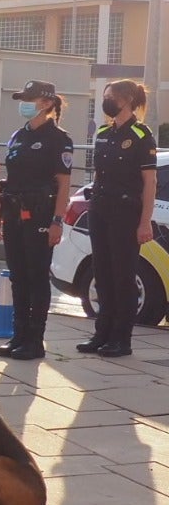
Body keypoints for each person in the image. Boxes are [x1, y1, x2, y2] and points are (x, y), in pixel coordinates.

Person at [78, 78, 155, 358]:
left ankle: (122, 338)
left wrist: (144, 221)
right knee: (103, 273)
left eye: (110, 96)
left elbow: (150, 183)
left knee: (123, 277)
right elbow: (98, 174)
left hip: (126, 213)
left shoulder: (141, 134)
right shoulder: (102, 132)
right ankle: (102, 334)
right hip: (100, 209)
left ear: (126, 99)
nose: (106, 101)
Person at [0, 80, 73, 360]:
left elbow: (64, 184)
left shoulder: (58, 138)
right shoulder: (19, 135)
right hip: (15, 212)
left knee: (36, 276)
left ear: (46, 103)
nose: (24, 104)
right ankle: (18, 335)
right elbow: (10, 179)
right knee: (18, 276)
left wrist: (57, 220)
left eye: (30, 99)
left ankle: (34, 340)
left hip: (41, 213)